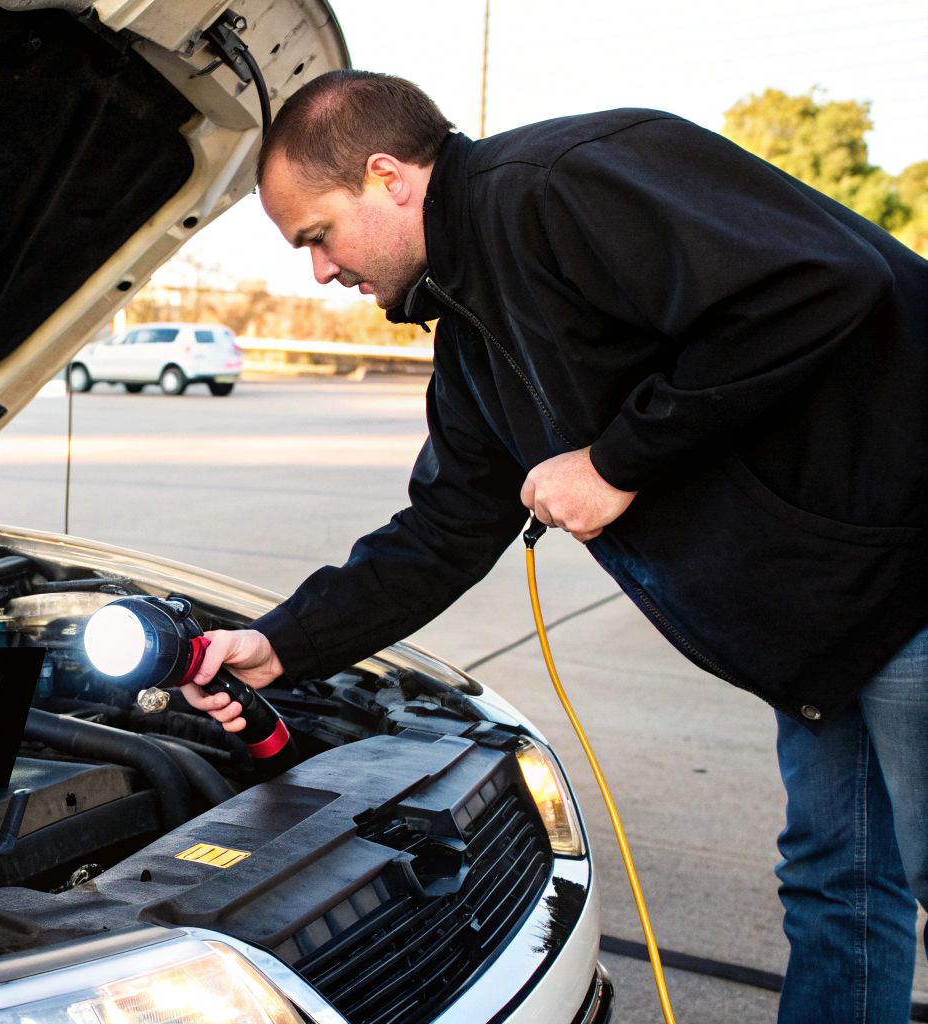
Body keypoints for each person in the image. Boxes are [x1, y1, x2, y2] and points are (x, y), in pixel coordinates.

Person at [178, 70, 928, 1023]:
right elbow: (446, 527)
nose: (319, 272)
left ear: (388, 176)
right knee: (839, 890)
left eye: (317, 236)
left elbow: (819, 284)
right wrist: (282, 645)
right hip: (827, 632)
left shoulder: (561, 185)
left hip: (906, 577)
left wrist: (618, 461)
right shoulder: (474, 330)